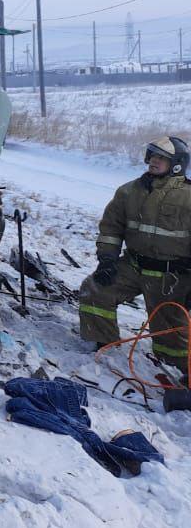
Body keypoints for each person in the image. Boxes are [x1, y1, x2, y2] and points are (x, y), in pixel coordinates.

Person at [79, 136, 191, 369]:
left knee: (170, 333)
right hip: (133, 266)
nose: (154, 161)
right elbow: (111, 228)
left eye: (162, 158)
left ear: (177, 164)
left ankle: (178, 370)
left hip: (171, 277)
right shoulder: (129, 191)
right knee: (95, 290)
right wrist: (107, 260)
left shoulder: (188, 197)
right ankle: (103, 343)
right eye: (153, 156)